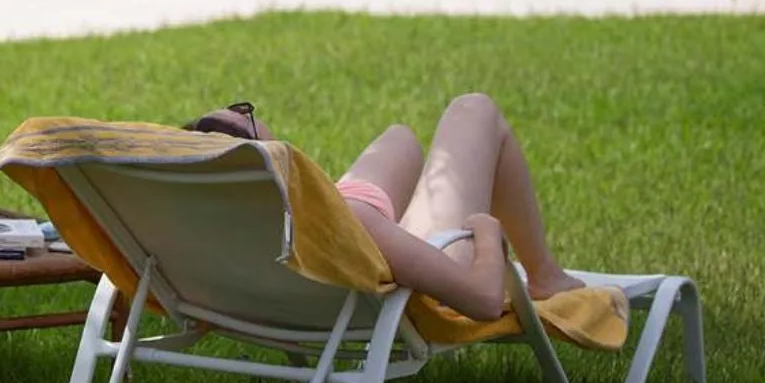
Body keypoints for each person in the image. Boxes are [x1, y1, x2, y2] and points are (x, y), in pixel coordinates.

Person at [192, 95, 587, 323]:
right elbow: (482, 301)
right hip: (400, 267)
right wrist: (486, 232)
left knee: (399, 138)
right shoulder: (336, 225)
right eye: (243, 119)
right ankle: (544, 275)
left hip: (341, 226)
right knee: (474, 109)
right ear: (266, 157)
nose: (246, 112)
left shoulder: (202, 227)